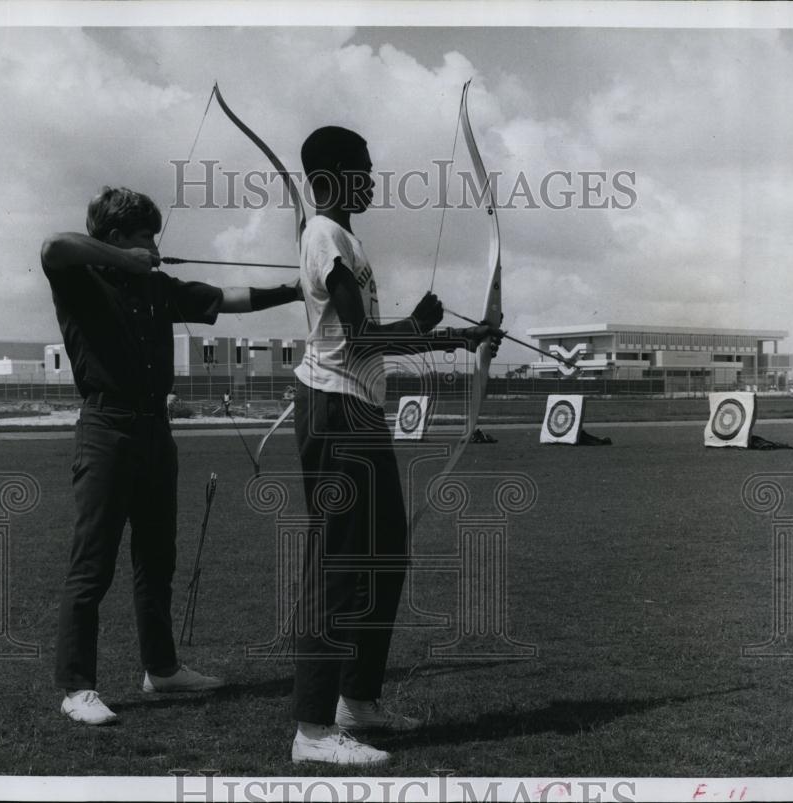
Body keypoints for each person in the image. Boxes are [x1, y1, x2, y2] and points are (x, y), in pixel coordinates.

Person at [41, 186, 302, 726]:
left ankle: (161, 668)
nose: (155, 248)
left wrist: (297, 290)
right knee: (92, 565)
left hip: (155, 433)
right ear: (115, 240)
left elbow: (228, 300)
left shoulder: (158, 289)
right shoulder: (79, 280)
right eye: (145, 239)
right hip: (105, 430)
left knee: (157, 560)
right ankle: (76, 687)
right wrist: (123, 258)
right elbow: (55, 245)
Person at [289, 126, 502, 765]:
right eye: (363, 166)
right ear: (330, 175)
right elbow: (357, 341)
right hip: (335, 409)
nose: (373, 177)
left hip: (358, 408)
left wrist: (462, 340)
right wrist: (428, 329)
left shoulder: (346, 238)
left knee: (384, 555)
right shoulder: (325, 234)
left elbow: (371, 339)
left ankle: (358, 701)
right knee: (342, 563)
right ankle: (312, 733)